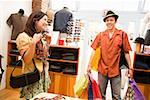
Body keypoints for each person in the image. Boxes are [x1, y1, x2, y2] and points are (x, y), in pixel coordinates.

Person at [87, 10, 133, 99]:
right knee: (100, 95)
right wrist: (89, 65)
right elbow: (93, 50)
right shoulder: (100, 35)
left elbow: (127, 52)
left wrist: (130, 68)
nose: (109, 22)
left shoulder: (122, 35)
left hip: (115, 70)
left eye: (111, 20)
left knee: (116, 96)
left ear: (115, 21)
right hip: (102, 69)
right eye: (107, 20)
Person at [16, 11, 51, 99]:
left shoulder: (40, 36)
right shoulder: (23, 37)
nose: (47, 23)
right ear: (35, 21)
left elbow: (45, 56)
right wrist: (33, 42)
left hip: (42, 75)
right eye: (45, 20)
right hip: (32, 76)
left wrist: (46, 44)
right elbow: (26, 59)